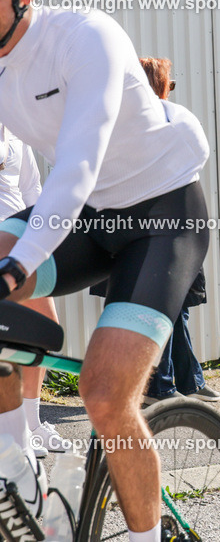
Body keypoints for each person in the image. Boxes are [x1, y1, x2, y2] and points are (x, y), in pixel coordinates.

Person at [0, 0, 210, 542]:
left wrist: (18, 266)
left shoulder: (86, 36)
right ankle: (19, 472)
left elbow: (78, 165)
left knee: (104, 394)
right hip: (91, 216)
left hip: (161, 214)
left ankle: (147, 537)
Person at [87, 58, 220, 406]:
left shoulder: (168, 121)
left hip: (170, 227)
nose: (170, 91)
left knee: (178, 308)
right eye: (168, 84)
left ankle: (188, 380)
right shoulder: (135, 127)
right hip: (146, 233)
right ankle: (157, 386)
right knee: (158, 309)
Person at [0, 124, 74, 456]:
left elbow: (31, 189)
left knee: (42, 333)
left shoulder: (17, 133)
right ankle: (12, 431)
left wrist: (44, 237)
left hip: (25, 246)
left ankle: (32, 424)